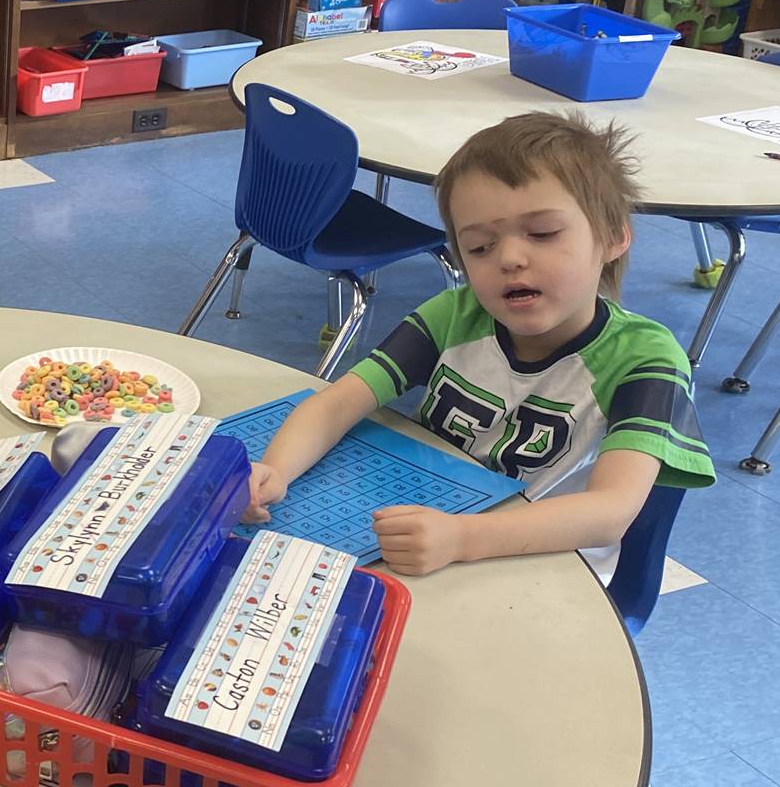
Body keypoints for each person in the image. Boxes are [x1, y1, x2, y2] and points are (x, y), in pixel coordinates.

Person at [245, 111, 715, 580]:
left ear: (612, 237)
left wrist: (463, 538)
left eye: (543, 233)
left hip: (545, 563)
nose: (509, 258)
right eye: (480, 247)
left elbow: (611, 511)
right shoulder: (455, 315)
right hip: (430, 527)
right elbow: (338, 403)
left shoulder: (646, 360)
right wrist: (275, 472)